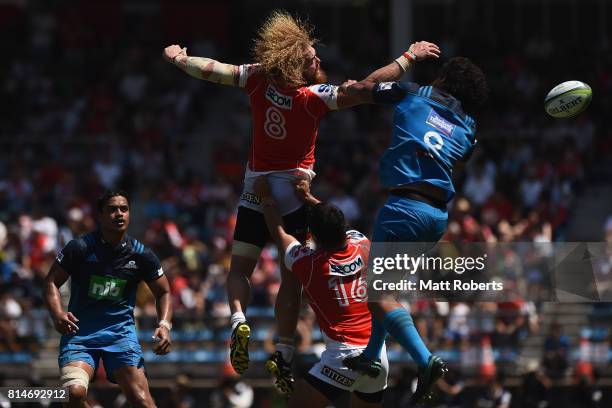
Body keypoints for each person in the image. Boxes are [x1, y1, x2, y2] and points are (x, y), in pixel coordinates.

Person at [163, 10, 440, 393]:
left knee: (240, 268)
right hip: (294, 193)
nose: (320, 62)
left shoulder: (258, 77)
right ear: (299, 67)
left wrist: (179, 59)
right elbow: (365, 87)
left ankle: (237, 319)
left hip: (254, 189)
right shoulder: (313, 98)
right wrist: (407, 58)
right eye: (313, 58)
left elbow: (213, 69)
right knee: (292, 277)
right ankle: (285, 349)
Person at [340, 56, 489, 404]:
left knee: (377, 293)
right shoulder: (468, 127)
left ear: (442, 77)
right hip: (435, 216)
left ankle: (425, 361)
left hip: (403, 208)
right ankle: (372, 357)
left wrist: (350, 87)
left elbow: (363, 89)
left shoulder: (414, 93)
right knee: (385, 291)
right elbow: (463, 150)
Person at [253, 175, 388, 408]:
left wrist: (265, 197)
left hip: (346, 358)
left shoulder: (310, 265)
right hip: (379, 356)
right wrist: (308, 197)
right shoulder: (363, 244)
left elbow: (281, 235)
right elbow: (336, 222)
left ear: (314, 237)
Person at [44, 191, 172, 408]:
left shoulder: (141, 254)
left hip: (120, 335)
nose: (119, 214)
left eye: (124, 209)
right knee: (74, 394)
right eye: (112, 209)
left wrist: (164, 324)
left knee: (142, 401)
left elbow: (164, 292)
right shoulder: (80, 247)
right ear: (100, 216)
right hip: (80, 334)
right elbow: (51, 282)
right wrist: (57, 313)